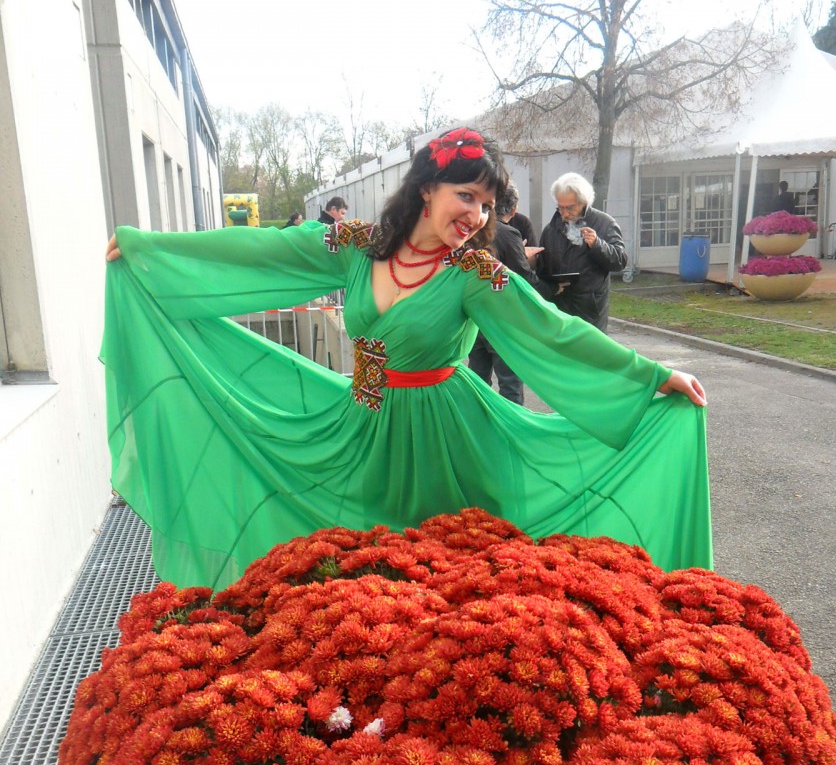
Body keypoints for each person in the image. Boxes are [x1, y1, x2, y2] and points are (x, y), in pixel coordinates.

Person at [103, 128, 710, 590]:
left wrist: (652, 377)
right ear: (426, 189)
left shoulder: (473, 272)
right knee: (354, 569)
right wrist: (150, 249)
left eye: (485, 205)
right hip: (361, 421)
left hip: (445, 437)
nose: (474, 216)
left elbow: (554, 333)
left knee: (446, 583)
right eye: (465, 196)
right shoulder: (358, 246)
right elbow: (260, 252)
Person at [467, 182, 556, 404]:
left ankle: (481, 427)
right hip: (503, 322)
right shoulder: (509, 233)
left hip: (474, 318)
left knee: (478, 382)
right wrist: (554, 288)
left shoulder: (469, 231)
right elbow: (523, 279)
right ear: (514, 210)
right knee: (510, 384)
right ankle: (511, 434)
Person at [537, 173, 627, 332]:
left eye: (570, 207)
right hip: (559, 306)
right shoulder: (551, 229)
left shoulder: (604, 223)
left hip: (590, 308)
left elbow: (620, 261)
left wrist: (597, 244)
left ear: (583, 202)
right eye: (560, 207)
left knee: (591, 353)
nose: (564, 213)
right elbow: (541, 268)